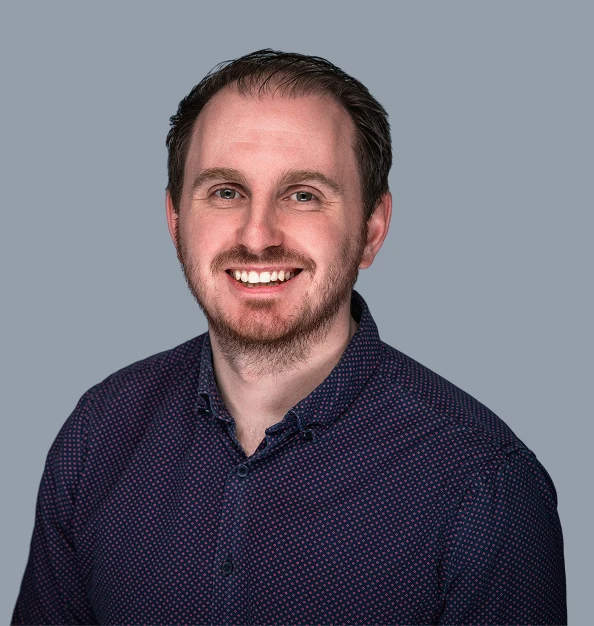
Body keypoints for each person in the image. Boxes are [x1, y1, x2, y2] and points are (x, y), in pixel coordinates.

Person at [12, 49, 566, 626]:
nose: (258, 237)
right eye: (226, 192)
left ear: (372, 230)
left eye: (303, 195)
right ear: (175, 221)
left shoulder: (485, 485)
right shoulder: (99, 433)